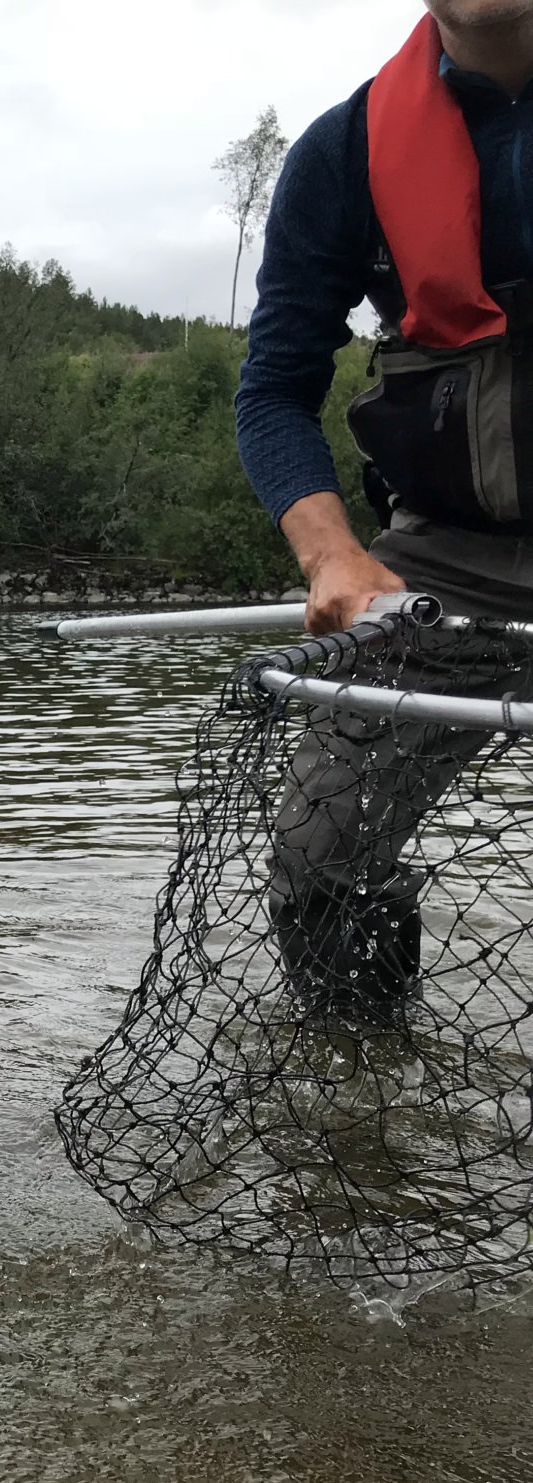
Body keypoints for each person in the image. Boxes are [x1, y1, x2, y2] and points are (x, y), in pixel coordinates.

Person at [236, 1, 533, 1014]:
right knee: (316, 858)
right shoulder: (340, 152)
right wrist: (330, 555)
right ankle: (363, 1094)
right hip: (441, 563)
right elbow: (274, 387)